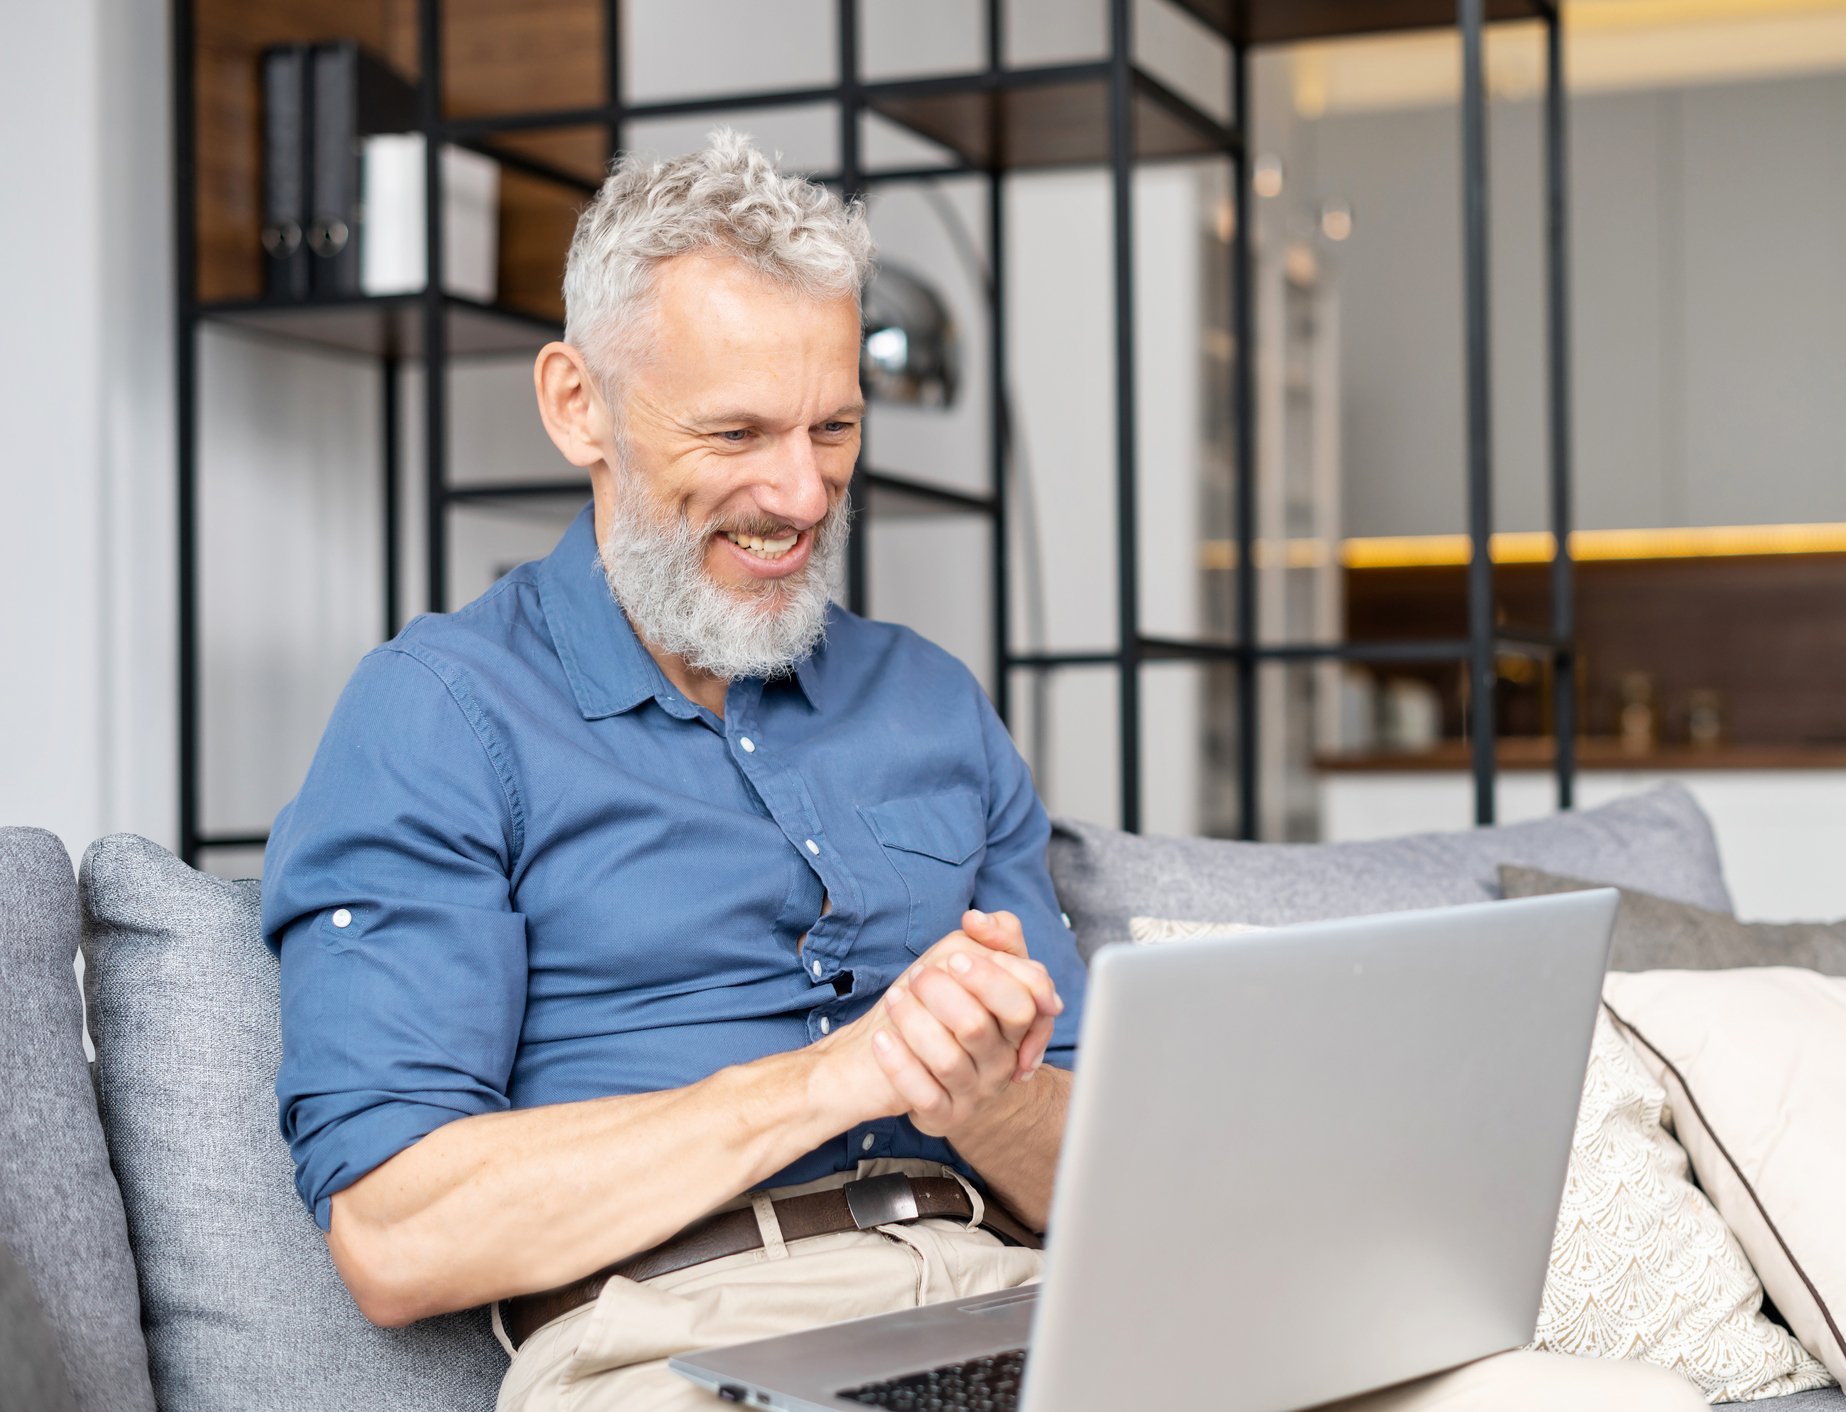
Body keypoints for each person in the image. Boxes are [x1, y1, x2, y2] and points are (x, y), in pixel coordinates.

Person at [261, 129, 1705, 1412]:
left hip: (1014, 1313)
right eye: (737, 434)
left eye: (834, 430)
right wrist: (837, 1076)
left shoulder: (927, 705)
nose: (802, 495)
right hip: (681, 1349)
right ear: (578, 405)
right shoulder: (440, 714)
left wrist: (978, 1097)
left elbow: (1099, 1172)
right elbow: (397, 1235)